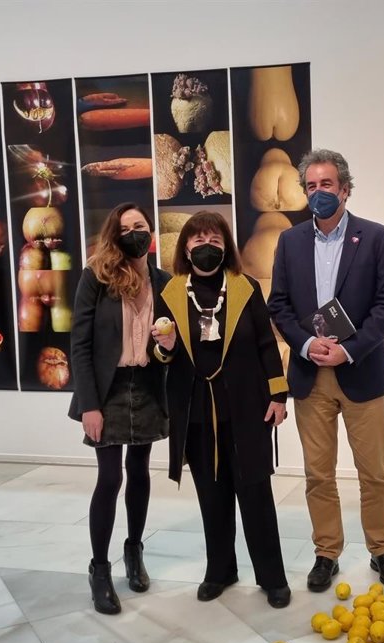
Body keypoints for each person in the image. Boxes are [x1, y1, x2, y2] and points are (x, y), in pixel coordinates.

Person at [267, 149, 384, 592]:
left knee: (374, 472)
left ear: (345, 189)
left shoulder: (377, 237)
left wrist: (349, 350)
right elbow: (279, 305)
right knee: (318, 474)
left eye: (326, 184)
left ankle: (381, 549)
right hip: (310, 376)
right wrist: (307, 344)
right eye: (311, 186)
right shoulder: (290, 241)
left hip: (361, 371)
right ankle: (326, 553)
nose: (318, 193)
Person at [150, 211, 292, 608]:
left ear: (225, 246)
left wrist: (278, 396)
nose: (206, 246)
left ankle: (272, 577)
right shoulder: (171, 292)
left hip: (247, 407)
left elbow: (266, 343)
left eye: (214, 240)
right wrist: (165, 346)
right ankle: (220, 570)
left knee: (255, 494)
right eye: (198, 240)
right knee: (211, 497)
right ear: (185, 248)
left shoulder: (245, 287)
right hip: (195, 410)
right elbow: (160, 353)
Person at [68, 202, 170, 615]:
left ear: (151, 233)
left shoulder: (164, 282)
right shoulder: (96, 276)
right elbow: (80, 344)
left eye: (139, 226)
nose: (133, 234)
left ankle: (134, 551)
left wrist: (167, 347)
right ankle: (99, 569)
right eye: (125, 229)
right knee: (109, 478)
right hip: (107, 390)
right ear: (115, 235)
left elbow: (167, 352)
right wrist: (89, 405)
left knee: (140, 472)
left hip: (146, 387)